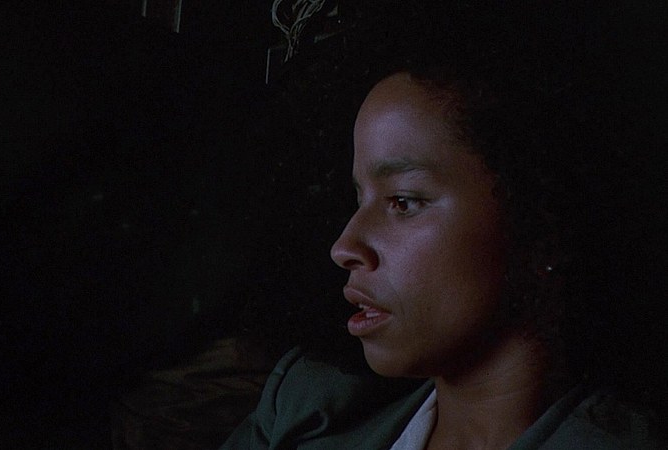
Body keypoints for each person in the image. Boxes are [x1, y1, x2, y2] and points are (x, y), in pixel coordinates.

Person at [223, 2, 668, 448]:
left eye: (402, 201)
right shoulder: (305, 407)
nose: (345, 246)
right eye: (359, 199)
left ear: (542, 221)